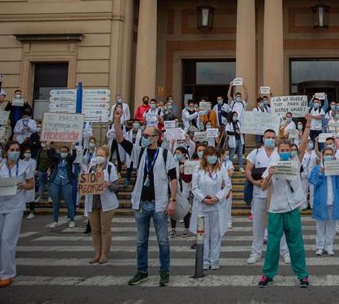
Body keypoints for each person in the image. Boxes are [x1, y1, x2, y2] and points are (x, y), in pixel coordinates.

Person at [113, 108, 178, 287]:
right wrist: (117, 121)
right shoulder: (138, 151)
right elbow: (120, 139)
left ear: (156, 137)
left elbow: (173, 179)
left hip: (159, 205)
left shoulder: (166, 155)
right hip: (141, 204)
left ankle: (164, 271)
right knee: (141, 241)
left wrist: (172, 200)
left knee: (163, 241)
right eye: (144, 134)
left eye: (148, 135)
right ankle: (142, 271)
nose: (144, 137)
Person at [257, 138, 310, 288]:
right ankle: (267, 274)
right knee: (273, 244)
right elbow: (263, 187)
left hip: (292, 208)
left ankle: (302, 275)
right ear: (278, 151)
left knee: (296, 243)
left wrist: (307, 126)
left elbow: (304, 142)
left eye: (288, 150)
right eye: (283, 150)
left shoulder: (295, 163)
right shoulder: (271, 165)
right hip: (276, 209)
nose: (286, 152)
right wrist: (269, 175)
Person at [0, 141, 34, 287]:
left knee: (8, 239)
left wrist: (23, 186)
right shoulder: (0, 165)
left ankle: (8, 274)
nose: (15, 152)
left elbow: (31, 184)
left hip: (15, 205)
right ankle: (1, 272)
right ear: (6, 151)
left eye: (17, 149)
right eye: (12, 149)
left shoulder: (25, 166)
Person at [245, 129, 291, 264]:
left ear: (276, 138)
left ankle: (285, 252)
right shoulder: (256, 153)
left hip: (277, 194)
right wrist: (254, 182)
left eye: (272, 137)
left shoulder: (281, 152)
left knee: (280, 225)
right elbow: (248, 169)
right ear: (263, 138)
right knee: (258, 224)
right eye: (268, 137)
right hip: (259, 192)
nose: (270, 139)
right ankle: (256, 252)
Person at [191, 146, 231, 269]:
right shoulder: (198, 168)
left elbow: (227, 186)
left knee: (216, 234)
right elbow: (194, 187)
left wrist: (218, 197)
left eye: (214, 155)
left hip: (217, 206)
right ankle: (205, 260)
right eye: (210, 155)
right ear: (205, 156)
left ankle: (214, 260)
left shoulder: (222, 168)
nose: (212, 157)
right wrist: (203, 198)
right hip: (202, 206)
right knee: (204, 235)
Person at [309, 145, 339, 256]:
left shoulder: (338, 168)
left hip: (334, 201)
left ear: (334, 156)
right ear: (322, 156)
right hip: (321, 202)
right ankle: (319, 246)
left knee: (331, 226)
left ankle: (329, 246)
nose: (328, 156)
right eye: (326, 154)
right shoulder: (317, 168)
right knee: (320, 226)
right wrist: (320, 172)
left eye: (330, 154)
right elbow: (312, 181)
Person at [85, 145, 119, 264]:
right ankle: (97, 253)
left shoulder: (110, 167)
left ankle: (104, 254)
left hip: (107, 202)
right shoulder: (91, 168)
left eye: (102, 156)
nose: (99, 157)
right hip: (92, 201)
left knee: (105, 229)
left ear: (107, 157)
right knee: (95, 230)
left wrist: (108, 184)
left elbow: (116, 187)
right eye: (98, 155)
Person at [48, 144, 77, 228]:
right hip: (56, 182)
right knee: (56, 202)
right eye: (62, 151)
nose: (63, 153)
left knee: (69, 202)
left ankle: (72, 220)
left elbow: (73, 156)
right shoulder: (57, 159)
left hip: (66, 182)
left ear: (68, 153)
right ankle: (55, 221)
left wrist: (74, 148)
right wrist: (48, 147)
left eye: (65, 151)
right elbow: (50, 156)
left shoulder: (69, 159)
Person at [21, 145, 37, 219]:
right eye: (26, 152)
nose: (28, 153)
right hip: (23, 180)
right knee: (23, 196)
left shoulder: (33, 161)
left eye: (29, 152)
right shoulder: (21, 161)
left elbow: (32, 170)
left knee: (31, 197)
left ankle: (32, 212)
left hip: (30, 180)